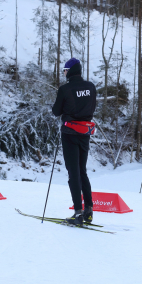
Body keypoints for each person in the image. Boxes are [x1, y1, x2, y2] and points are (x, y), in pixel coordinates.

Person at [52, 58, 97, 226]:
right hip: (85, 132)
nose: (64, 73)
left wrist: (65, 108)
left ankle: (78, 213)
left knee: (73, 173)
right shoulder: (91, 87)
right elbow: (92, 107)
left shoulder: (65, 89)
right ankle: (89, 210)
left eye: (65, 70)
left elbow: (56, 111)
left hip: (70, 133)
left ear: (70, 71)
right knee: (82, 171)